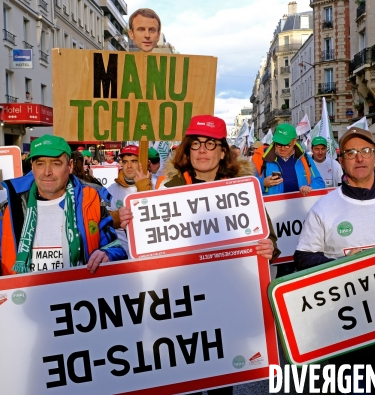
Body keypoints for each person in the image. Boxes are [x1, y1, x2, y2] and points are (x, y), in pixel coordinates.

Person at [119, 116, 280, 395]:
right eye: (195, 144)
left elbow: (270, 239)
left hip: (227, 298)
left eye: (210, 144)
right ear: (187, 150)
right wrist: (131, 221)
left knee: (221, 379)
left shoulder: (243, 189)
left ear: (222, 151)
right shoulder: (166, 190)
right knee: (188, 378)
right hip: (183, 302)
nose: (202, 150)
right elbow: (147, 250)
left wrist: (270, 249)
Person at [293, 127, 375, 389]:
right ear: (341, 160)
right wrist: (341, 265)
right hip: (340, 320)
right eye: (351, 152)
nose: (360, 158)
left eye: (366, 151)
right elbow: (303, 258)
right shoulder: (324, 207)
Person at [0, 135, 127, 293]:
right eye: (40, 164)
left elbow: (115, 247)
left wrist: (108, 254)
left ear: (70, 166)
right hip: (25, 302)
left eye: (56, 163)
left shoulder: (90, 200)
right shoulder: (12, 205)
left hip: (79, 299)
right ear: (32, 167)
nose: (47, 172)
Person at [107, 145, 152, 256]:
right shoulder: (111, 189)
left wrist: (144, 186)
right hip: (121, 253)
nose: (129, 166)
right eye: (125, 162)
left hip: (148, 251)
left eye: (134, 161)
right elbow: (104, 219)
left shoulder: (156, 184)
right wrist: (117, 217)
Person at [258, 124, 325, 196]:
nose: (282, 149)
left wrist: (310, 187)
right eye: (278, 144)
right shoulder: (261, 157)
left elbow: (319, 182)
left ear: (294, 142)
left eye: (287, 145)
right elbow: (249, 186)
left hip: (301, 205)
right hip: (272, 206)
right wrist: (263, 183)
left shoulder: (304, 157)